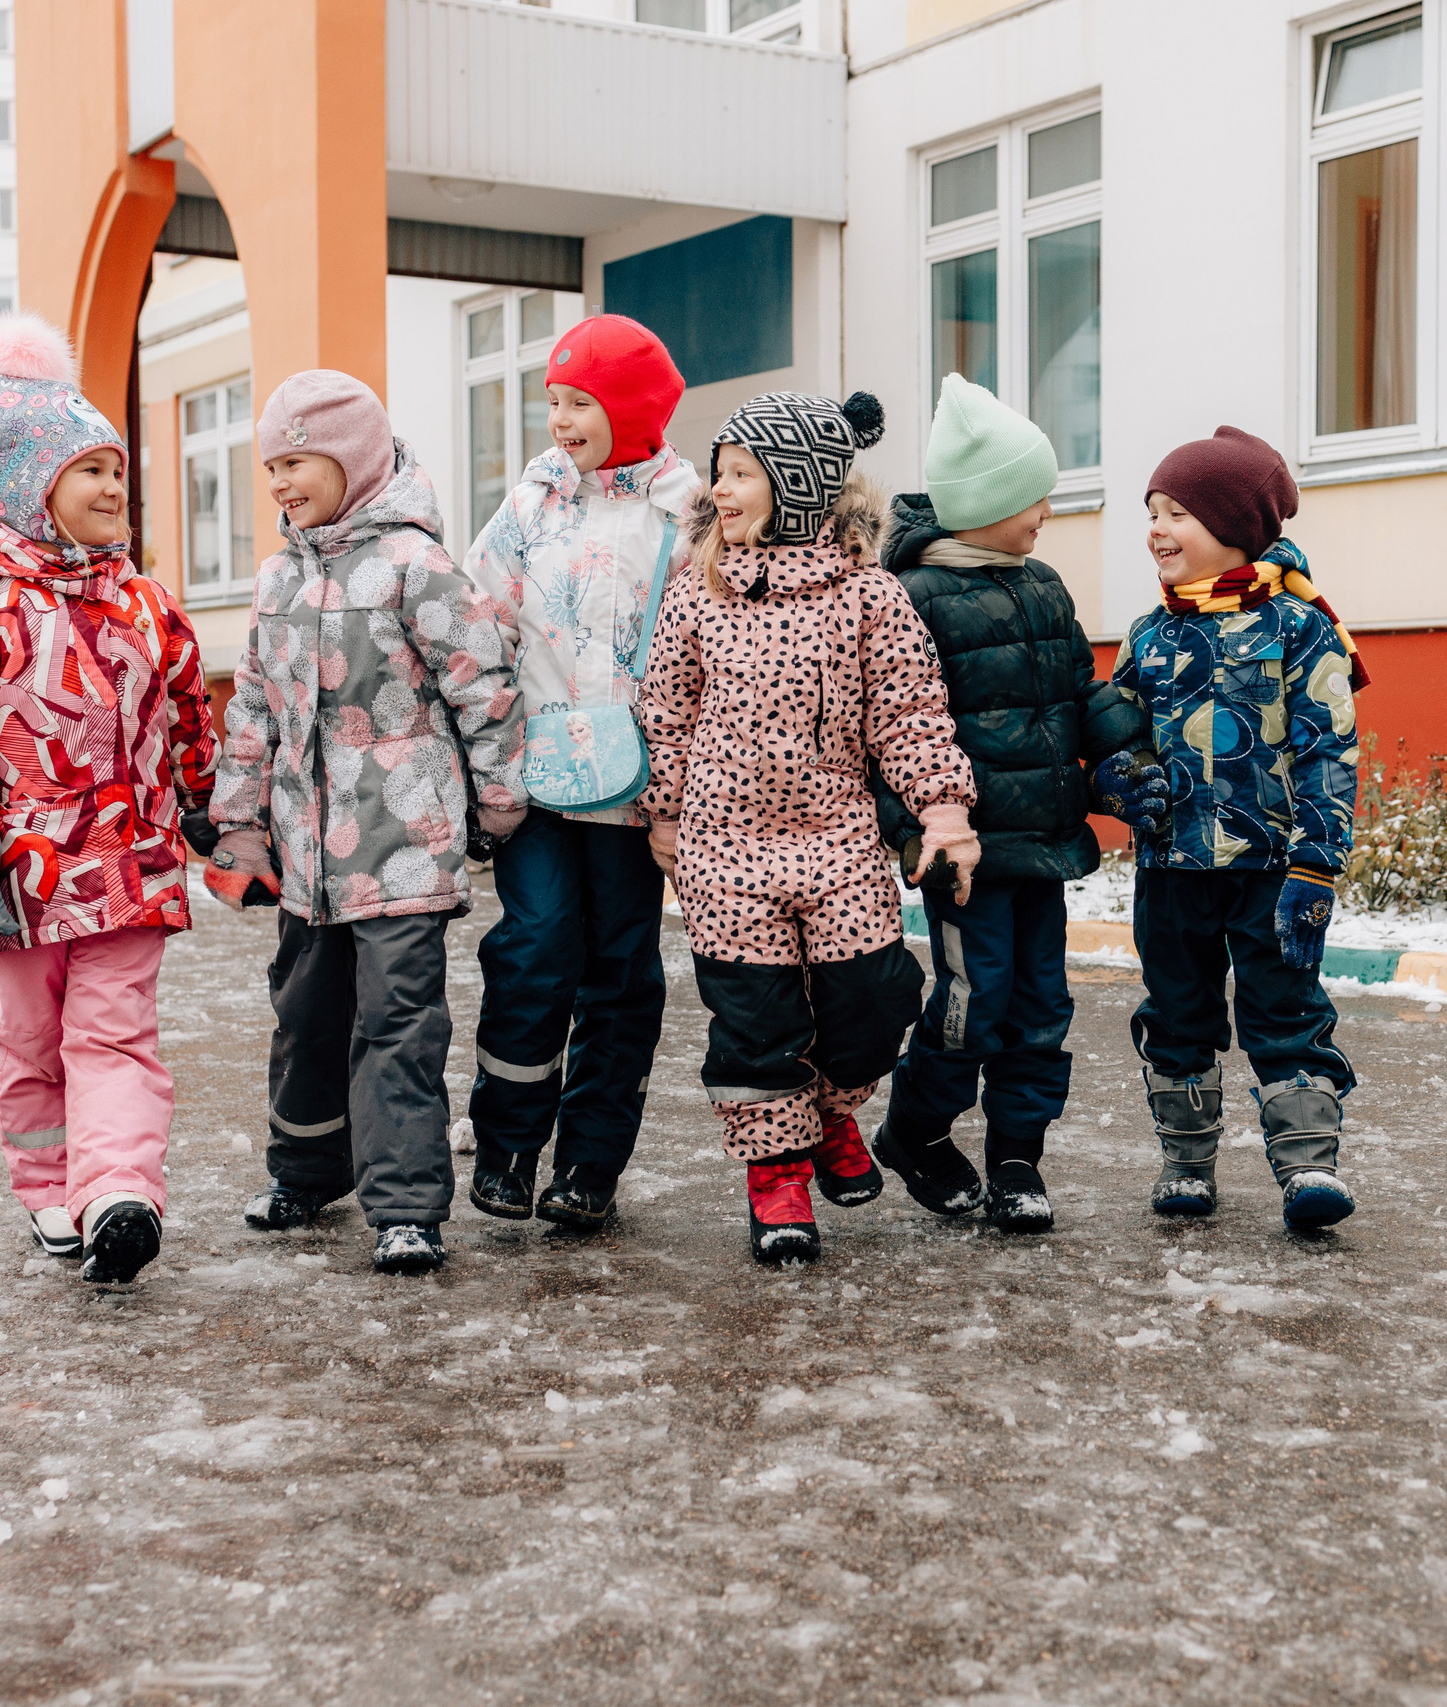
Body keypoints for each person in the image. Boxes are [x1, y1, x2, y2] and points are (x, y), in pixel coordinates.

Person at [637, 390, 981, 1264]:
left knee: (872, 1000)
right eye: (718, 473)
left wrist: (943, 809)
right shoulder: (697, 595)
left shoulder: (870, 598)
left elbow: (910, 711)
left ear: (796, 485)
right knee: (754, 1019)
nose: (721, 490)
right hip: (724, 847)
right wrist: (666, 817)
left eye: (742, 474)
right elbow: (668, 710)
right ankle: (778, 1173)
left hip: (837, 843)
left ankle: (828, 1113)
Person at [0, 312, 218, 1285]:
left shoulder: (143, 603)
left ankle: (118, 1191)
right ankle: (47, 1183)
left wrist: (212, 807)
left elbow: (185, 714)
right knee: (32, 1039)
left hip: (128, 867)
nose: (112, 486)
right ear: (30, 487)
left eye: (117, 470)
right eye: (89, 470)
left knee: (115, 1034)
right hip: (25, 877)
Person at [205, 370, 524, 1276]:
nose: (280, 483)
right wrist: (238, 822)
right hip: (308, 858)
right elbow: (253, 712)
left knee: (398, 1022)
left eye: (296, 460)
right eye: (270, 467)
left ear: (349, 457)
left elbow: (482, 684)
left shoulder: (414, 565)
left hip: (404, 848)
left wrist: (498, 796)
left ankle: (407, 1205)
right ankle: (306, 1171)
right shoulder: (277, 578)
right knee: (305, 1015)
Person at [871, 375, 1158, 1236]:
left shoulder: (1043, 587)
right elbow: (891, 727)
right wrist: (911, 826)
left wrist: (1125, 749)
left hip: (1045, 842)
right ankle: (915, 1131)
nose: (1044, 511)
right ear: (984, 501)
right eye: (1032, 495)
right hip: (963, 854)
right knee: (972, 999)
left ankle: (1018, 1156)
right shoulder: (913, 599)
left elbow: (1080, 689)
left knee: (1040, 1005)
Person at [458, 316, 695, 1232]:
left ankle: (590, 1161)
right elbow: (482, 621)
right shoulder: (530, 506)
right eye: (552, 401)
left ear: (631, 405)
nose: (559, 419)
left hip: (638, 787)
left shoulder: (688, 510)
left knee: (620, 971)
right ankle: (510, 1146)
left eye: (579, 401)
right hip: (542, 774)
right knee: (533, 947)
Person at [1108, 426, 1366, 1231]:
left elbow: (1330, 747)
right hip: (1171, 869)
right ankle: (1186, 1162)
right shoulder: (1149, 635)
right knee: (1176, 1009)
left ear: (1234, 526)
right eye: (1152, 510)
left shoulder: (1298, 627)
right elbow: (1117, 736)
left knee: (1285, 1009)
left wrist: (1318, 865)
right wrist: (1119, 779)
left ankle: (1307, 1169)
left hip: (1273, 869)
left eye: (1178, 511)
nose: (1156, 528)